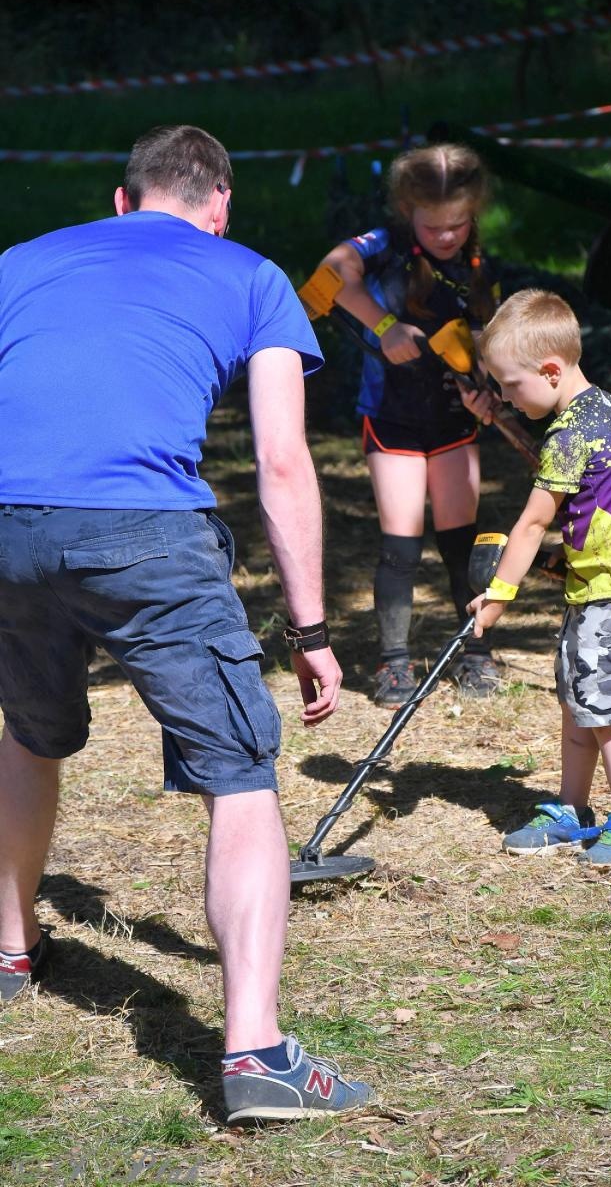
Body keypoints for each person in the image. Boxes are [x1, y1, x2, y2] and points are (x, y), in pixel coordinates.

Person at [0, 125, 372, 1123]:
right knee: (240, 774)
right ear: (220, 208)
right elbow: (281, 461)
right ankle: (256, 1055)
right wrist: (310, 631)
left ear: (122, 201)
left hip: (7, 527)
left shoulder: (19, 262)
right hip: (146, 532)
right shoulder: (250, 275)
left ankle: (9, 949)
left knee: (29, 732)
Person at [468, 290, 611, 867]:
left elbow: (532, 523)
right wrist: (576, 552)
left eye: (511, 385)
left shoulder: (568, 434)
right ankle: (572, 809)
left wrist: (499, 596)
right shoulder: (603, 408)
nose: (506, 398)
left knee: (608, 714)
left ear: (551, 371)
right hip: (601, 587)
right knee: (580, 703)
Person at [317, 143, 501, 709]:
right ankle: (393, 663)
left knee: (461, 543)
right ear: (407, 209)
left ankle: (475, 652)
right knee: (401, 545)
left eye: (458, 224)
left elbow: (486, 340)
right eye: (433, 225)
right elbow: (330, 274)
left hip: (452, 420)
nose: (447, 236)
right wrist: (385, 326)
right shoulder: (383, 245)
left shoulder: (476, 264)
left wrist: (487, 391)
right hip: (392, 419)